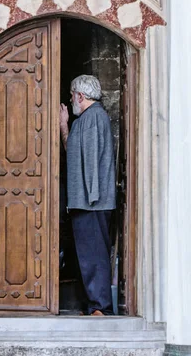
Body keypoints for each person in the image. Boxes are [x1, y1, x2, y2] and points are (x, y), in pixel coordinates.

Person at [60, 74, 116, 316]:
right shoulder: (86, 119)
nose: (71, 100)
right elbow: (74, 151)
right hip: (86, 202)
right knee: (87, 256)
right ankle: (93, 305)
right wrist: (65, 127)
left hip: (92, 202)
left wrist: (91, 197)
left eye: (72, 96)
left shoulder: (93, 117)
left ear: (80, 96)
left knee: (94, 256)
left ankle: (100, 307)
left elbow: (91, 159)